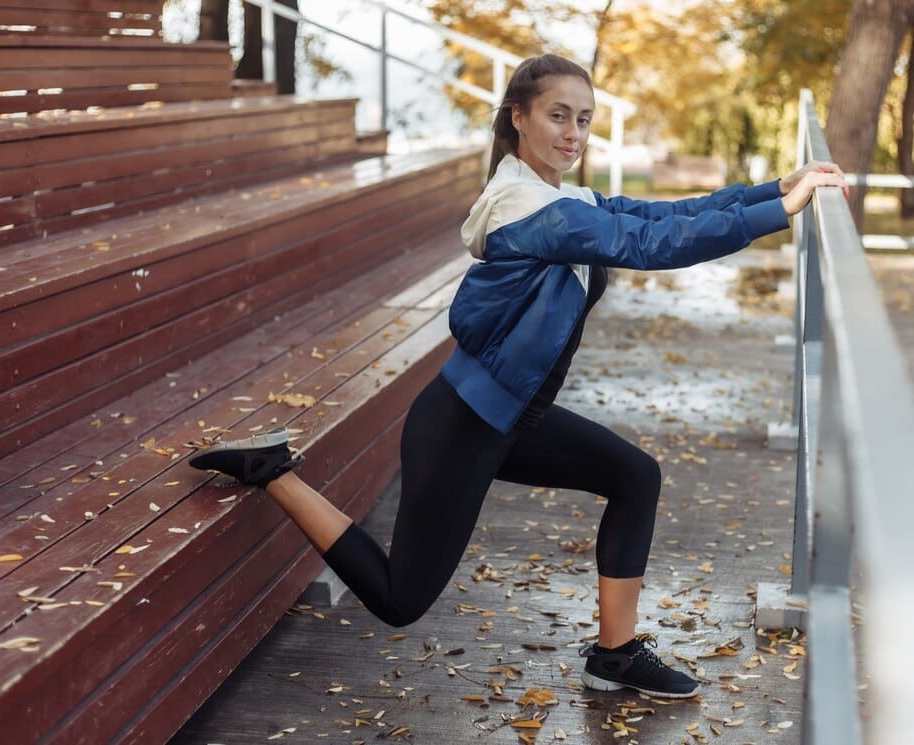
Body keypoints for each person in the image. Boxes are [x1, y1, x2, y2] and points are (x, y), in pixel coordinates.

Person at [190, 53, 846, 699]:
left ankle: (615, 655)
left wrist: (773, 189)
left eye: (584, 120)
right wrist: (780, 213)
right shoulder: (526, 209)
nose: (573, 133)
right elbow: (650, 246)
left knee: (635, 475)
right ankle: (272, 470)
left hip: (514, 417)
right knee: (399, 598)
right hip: (462, 427)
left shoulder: (560, 198)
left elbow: (658, 216)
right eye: (558, 116)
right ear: (520, 118)